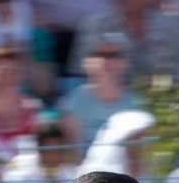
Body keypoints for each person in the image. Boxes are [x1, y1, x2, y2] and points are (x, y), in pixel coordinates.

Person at [67, 0, 179, 86]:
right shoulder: (95, 25)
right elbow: (81, 72)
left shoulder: (171, 27)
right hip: (107, 97)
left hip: (160, 97)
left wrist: (159, 83)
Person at [56, 32, 141, 160]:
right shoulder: (72, 103)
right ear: (86, 61)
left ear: (126, 62)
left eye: (113, 55)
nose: (105, 61)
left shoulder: (137, 103)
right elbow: (70, 157)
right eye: (99, 55)